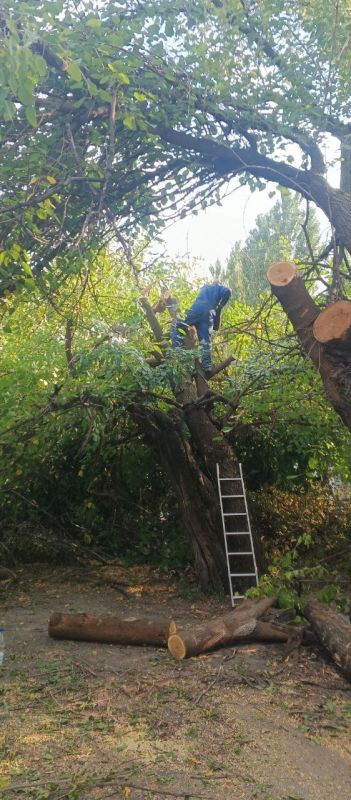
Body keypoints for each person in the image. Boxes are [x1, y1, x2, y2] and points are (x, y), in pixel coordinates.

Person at [170, 283, 231, 375]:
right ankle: (207, 365)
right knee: (205, 339)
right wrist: (219, 307)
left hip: (198, 309)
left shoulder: (211, 286)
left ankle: (177, 352)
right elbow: (227, 292)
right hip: (209, 314)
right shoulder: (215, 294)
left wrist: (219, 307)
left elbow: (228, 290)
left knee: (176, 324)